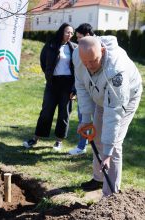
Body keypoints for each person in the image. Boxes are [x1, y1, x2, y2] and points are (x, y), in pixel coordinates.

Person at [73, 36, 142, 196]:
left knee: (114, 144)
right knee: (96, 136)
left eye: (93, 61)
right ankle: (98, 178)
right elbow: (82, 87)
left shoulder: (117, 71)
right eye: (86, 62)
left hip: (125, 98)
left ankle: (110, 197)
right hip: (100, 94)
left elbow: (114, 113)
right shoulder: (79, 56)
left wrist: (107, 153)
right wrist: (86, 119)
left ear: (103, 52)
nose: (89, 66)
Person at [23, 23, 77, 151]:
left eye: (71, 33)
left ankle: (59, 141)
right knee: (46, 111)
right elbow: (43, 61)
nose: (69, 35)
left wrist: (74, 89)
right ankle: (36, 138)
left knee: (64, 114)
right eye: (67, 32)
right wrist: (49, 74)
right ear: (61, 32)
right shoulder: (51, 45)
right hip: (52, 83)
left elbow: (78, 69)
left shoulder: (75, 48)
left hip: (68, 84)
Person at [68, 23, 95, 155]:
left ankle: (99, 150)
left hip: (98, 93)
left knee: (99, 121)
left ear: (88, 36)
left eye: (79, 37)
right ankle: (81, 146)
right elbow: (78, 74)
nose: (77, 40)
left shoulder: (99, 49)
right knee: (83, 118)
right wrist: (75, 89)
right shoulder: (77, 52)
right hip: (83, 91)